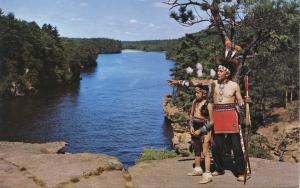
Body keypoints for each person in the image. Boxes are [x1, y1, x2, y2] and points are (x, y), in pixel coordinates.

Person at [168, 58, 250, 182]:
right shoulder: (213, 83)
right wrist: (178, 82)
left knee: (236, 146)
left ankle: (242, 171)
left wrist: (246, 101)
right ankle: (219, 168)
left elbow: (240, 102)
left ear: (226, 73)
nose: (218, 73)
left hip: (231, 116)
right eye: (217, 71)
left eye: (220, 71)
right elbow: (196, 83)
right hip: (217, 116)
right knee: (216, 145)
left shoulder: (234, 85)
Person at [187, 85, 213, 184]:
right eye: (196, 92)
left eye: (198, 92)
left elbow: (211, 122)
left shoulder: (208, 105)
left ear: (204, 94)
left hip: (205, 129)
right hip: (195, 126)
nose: (195, 94)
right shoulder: (194, 102)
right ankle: (197, 169)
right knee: (197, 150)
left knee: (205, 152)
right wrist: (191, 126)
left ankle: (207, 174)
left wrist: (201, 130)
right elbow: (191, 116)